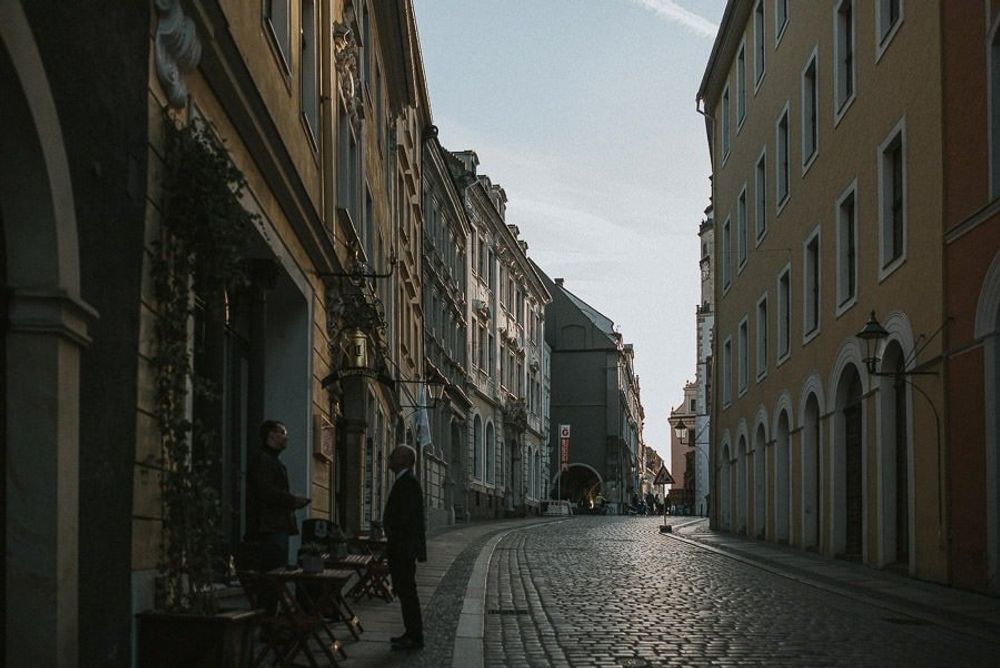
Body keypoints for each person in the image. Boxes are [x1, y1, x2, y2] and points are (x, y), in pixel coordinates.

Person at [246, 420, 310, 573]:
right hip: (270, 526)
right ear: (272, 435)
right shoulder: (264, 460)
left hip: (273, 525)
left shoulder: (270, 460)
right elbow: (267, 491)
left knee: (274, 573)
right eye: (283, 433)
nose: (286, 438)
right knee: (274, 573)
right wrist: (292, 500)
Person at [383, 444, 427, 651]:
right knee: (405, 592)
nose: (389, 457)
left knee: (407, 592)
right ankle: (410, 633)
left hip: (403, 549)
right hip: (402, 547)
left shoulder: (408, 483)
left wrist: (392, 533)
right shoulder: (405, 481)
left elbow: (405, 518)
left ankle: (415, 636)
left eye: (394, 455)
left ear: (403, 459)